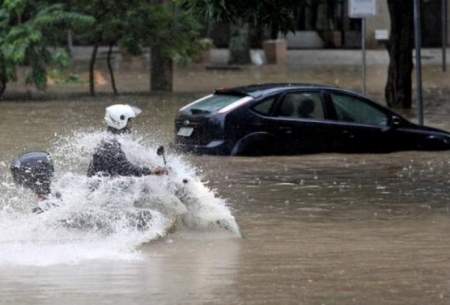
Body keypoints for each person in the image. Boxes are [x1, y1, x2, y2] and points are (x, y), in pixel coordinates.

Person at [87, 104, 167, 177]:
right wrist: (151, 171)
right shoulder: (110, 145)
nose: (131, 125)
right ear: (121, 121)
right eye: (129, 121)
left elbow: (127, 163)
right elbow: (126, 169)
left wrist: (152, 162)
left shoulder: (110, 140)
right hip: (102, 189)